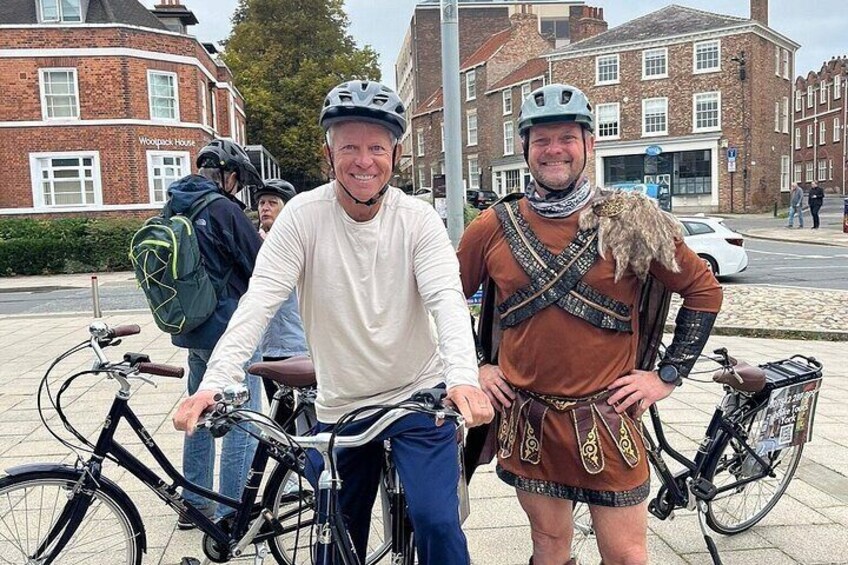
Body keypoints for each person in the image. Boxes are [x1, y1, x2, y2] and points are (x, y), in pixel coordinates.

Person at [173, 79, 493, 564]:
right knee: (336, 531)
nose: (363, 161)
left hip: (417, 395)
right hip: (342, 404)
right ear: (329, 153)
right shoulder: (302, 217)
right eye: (349, 148)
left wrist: (463, 379)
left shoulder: (418, 220)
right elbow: (258, 302)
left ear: (395, 154)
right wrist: (214, 382)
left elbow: (447, 299)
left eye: (376, 148)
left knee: (436, 521)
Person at [457, 84, 723, 565]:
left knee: (626, 556)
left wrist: (666, 376)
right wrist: (476, 365)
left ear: (588, 144)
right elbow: (444, 300)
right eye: (541, 140)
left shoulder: (630, 218)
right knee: (549, 547)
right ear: (525, 149)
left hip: (608, 419)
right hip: (529, 420)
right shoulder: (492, 226)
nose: (553, 150)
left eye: (566, 138)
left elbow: (703, 290)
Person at [168, 139, 264, 529]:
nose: (238, 188)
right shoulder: (224, 209)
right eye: (237, 180)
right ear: (227, 176)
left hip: (192, 329)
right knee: (243, 419)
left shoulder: (175, 204)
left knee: (199, 414)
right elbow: (261, 265)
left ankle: (195, 505)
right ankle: (232, 512)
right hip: (229, 330)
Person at [254, 178, 311, 431]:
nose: (265, 208)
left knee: (305, 416)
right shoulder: (253, 243)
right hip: (268, 344)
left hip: (298, 344)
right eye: (262, 203)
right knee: (280, 416)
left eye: (272, 203)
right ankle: (286, 466)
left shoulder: (298, 241)